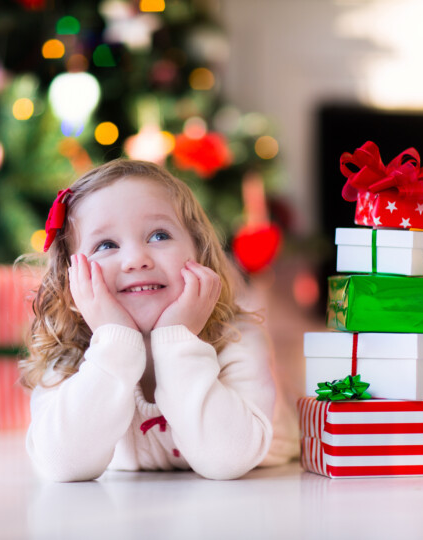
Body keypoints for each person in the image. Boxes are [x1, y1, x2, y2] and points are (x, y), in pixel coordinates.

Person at [20, 159, 296, 482]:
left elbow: (227, 461)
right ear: (71, 283)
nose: (136, 260)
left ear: (200, 253)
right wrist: (114, 342)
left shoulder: (238, 338)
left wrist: (178, 338)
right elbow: (61, 465)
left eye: (159, 235)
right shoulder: (68, 356)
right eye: (106, 245)